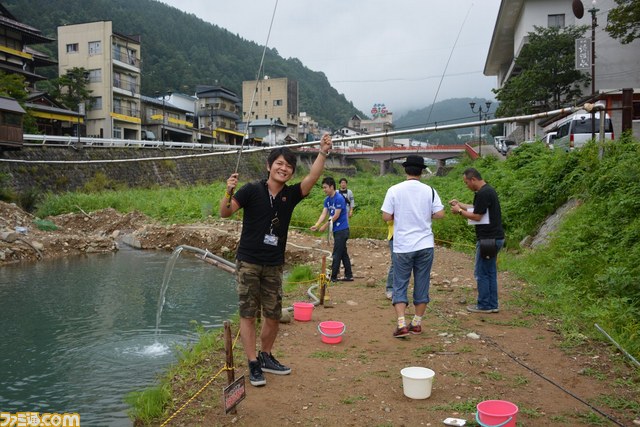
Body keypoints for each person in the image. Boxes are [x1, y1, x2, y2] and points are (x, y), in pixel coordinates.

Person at [219, 134, 332, 387]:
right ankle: (252, 363)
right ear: (269, 166)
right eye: (279, 163)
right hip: (248, 261)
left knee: (272, 314)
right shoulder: (250, 190)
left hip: (274, 263)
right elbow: (225, 212)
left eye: (289, 166)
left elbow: (312, 177)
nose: (284, 168)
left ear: (291, 172)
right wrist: (228, 190)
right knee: (248, 315)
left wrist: (322, 152)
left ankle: (266, 355)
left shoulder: (291, 195)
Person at [381, 155, 444, 338]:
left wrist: (399, 216)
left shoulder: (394, 190)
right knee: (422, 282)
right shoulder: (430, 190)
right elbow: (440, 213)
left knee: (400, 283)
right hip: (425, 244)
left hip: (403, 246)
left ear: (405, 169)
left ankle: (401, 324)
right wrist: (425, 215)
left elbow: (386, 216)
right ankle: (416, 323)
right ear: (422, 171)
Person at [449, 167, 504, 314]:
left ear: (473, 179)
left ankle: (485, 304)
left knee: (481, 272)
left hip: (488, 239)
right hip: (495, 238)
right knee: (490, 271)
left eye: (466, 182)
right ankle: (492, 304)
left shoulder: (483, 193)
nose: (466, 185)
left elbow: (477, 216)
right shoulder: (486, 191)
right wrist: (460, 204)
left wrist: (459, 211)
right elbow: (476, 208)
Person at [310, 176, 353, 282]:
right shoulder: (327, 200)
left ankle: (333, 277)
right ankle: (349, 275)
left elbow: (336, 215)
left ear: (331, 187)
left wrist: (325, 226)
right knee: (343, 252)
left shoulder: (339, 198)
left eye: (325, 187)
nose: (324, 190)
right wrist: (317, 224)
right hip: (335, 230)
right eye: (323, 188)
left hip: (342, 230)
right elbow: (324, 213)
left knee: (336, 253)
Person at [385, 220, 394, 300]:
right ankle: (390, 289)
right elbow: (388, 220)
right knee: (395, 263)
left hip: (410, 237)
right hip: (394, 237)